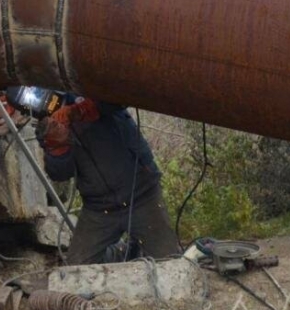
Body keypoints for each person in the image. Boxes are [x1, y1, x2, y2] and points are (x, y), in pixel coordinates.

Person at [36, 93, 181, 265]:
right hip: (98, 208)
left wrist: (78, 110)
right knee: (76, 269)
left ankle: (137, 246)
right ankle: (123, 252)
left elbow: (120, 99)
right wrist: (58, 147)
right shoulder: (47, 112)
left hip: (142, 196)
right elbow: (59, 173)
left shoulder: (87, 82)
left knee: (170, 264)